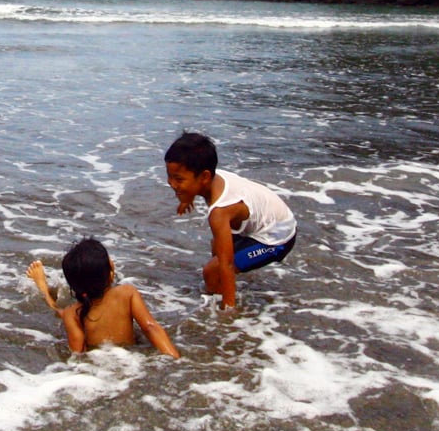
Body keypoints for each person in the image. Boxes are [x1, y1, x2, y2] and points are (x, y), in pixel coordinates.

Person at [162, 131, 297, 309]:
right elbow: (194, 185)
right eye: (170, 176)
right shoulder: (213, 176)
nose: (172, 183)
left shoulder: (220, 212)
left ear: (204, 177)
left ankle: (227, 308)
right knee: (216, 248)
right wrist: (186, 198)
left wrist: (229, 313)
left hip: (278, 238)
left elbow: (226, 264)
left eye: (179, 179)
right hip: (272, 217)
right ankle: (219, 292)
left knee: (212, 271)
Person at [27, 238, 179, 357]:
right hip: (131, 359)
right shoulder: (127, 293)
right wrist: (174, 357)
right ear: (110, 273)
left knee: (58, 310)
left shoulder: (71, 314)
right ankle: (44, 287)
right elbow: (151, 328)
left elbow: (78, 354)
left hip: (101, 366)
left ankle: (43, 288)